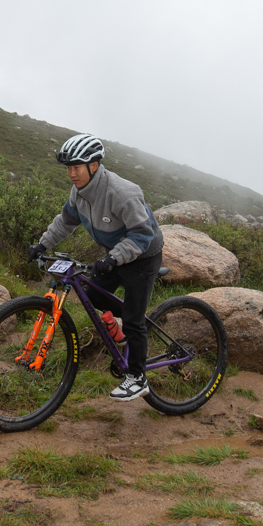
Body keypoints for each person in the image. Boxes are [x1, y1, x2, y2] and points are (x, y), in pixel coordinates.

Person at [28, 133, 164, 401]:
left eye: (76, 167)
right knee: (92, 297)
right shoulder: (79, 192)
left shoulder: (122, 192)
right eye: (68, 168)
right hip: (114, 254)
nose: (71, 174)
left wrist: (113, 258)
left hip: (143, 255)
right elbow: (66, 220)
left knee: (135, 320)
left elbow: (141, 235)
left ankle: (138, 378)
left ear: (94, 165)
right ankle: (130, 328)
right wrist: (42, 245)